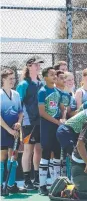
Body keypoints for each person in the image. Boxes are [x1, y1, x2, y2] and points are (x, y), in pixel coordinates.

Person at [16, 56, 44, 190]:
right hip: (28, 122)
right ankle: (27, 180)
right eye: (36, 65)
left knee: (39, 150)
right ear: (29, 66)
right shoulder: (23, 84)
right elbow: (18, 104)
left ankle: (38, 178)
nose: (38, 67)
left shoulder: (41, 84)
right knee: (28, 150)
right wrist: (20, 121)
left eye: (39, 65)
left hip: (41, 122)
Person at [38, 67, 64, 195]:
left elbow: (62, 108)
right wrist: (56, 122)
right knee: (46, 154)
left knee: (58, 155)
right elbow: (42, 112)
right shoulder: (42, 91)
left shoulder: (58, 91)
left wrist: (63, 118)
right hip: (47, 127)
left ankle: (56, 185)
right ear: (45, 77)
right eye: (51, 74)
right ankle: (42, 185)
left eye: (55, 74)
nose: (54, 76)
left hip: (57, 127)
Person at [0, 69, 27, 194]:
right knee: (2, 157)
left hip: (14, 130)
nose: (12, 81)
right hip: (3, 130)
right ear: (3, 79)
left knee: (13, 156)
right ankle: (1, 186)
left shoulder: (16, 94)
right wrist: (9, 130)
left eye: (13, 78)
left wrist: (19, 122)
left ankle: (11, 185)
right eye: (10, 78)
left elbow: (20, 111)